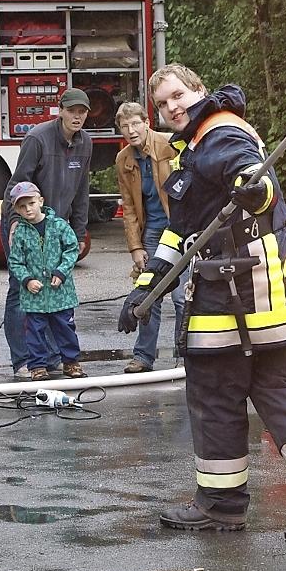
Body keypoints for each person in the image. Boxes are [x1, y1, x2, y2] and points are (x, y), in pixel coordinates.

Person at [118, 64, 286, 543]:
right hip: (274, 297)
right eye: (163, 105)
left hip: (243, 299)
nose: (171, 107)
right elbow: (181, 231)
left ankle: (221, 506)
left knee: (214, 392)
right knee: (282, 393)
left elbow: (255, 182)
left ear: (198, 91)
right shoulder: (195, 149)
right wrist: (147, 286)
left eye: (177, 95)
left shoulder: (220, 132)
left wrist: (255, 188)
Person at [1, 87, 93, 380]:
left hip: (54, 225)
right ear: (61, 110)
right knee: (21, 289)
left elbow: (81, 191)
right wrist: (15, 222)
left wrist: (78, 232)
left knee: (54, 288)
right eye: (72, 110)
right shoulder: (37, 138)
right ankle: (23, 361)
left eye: (83, 112)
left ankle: (51, 358)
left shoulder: (85, 143)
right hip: (23, 221)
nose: (77, 116)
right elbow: (18, 185)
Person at [114, 101, 185, 372]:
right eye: (125, 125)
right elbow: (129, 207)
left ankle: (185, 356)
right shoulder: (124, 160)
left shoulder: (171, 146)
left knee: (181, 297)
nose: (131, 130)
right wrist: (135, 246)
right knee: (148, 294)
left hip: (180, 228)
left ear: (147, 122)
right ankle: (143, 357)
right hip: (152, 232)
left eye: (135, 123)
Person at [6, 182, 85, 380]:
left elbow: (72, 249)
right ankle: (38, 366)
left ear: (40, 201)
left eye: (31, 203)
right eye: (22, 207)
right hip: (34, 296)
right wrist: (27, 280)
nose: (28, 209)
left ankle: (71, 362)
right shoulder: (21, 233)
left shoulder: (58, 225)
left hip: (61, 294)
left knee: (65, 328)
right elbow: (15, 261)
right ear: (17, 209)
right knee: (34, 332)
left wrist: (61, 271)